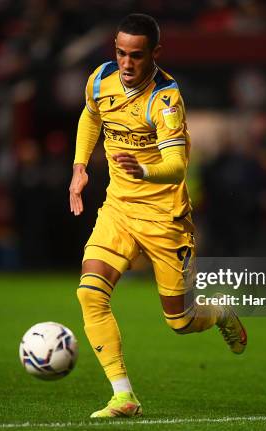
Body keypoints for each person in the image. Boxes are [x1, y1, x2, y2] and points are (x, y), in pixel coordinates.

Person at [68, 13, 247, 418]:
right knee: (90, 293)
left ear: (154, 54)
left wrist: (143, 170)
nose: (127, 64)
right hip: (118, 209)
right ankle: (123, 396)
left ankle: (219, 311)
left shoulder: (165, 100)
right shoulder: (101, 79)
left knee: (180, 322)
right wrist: (79, 168)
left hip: (164, 219)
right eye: (120, 53)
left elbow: (176, 166)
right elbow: (91, 115)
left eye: (136, 55)